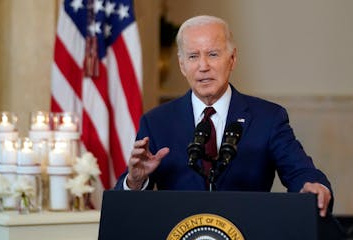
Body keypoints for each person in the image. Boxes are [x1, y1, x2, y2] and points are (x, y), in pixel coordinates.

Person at [114, 15, 332, 217]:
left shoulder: (268, 118)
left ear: (233, 58)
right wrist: (135, 181)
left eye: (213, 54)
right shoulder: (157, 122)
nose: (203, 66)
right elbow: (126, 208)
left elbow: (300, 172)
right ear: (182, 65)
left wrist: (313, 187)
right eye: (193, 56)